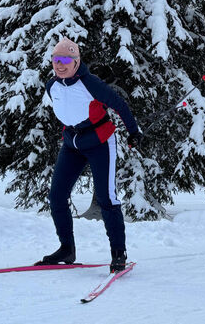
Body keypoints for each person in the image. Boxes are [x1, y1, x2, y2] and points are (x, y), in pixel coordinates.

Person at [40, 37, 142, 273]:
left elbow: (119, 104)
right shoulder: (51, 85)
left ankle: (119, 254)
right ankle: (67, 249)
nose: (60, 64)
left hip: (100, 142)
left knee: (107, 199)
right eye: (56, 59)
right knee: (56, 196)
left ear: (76, 62)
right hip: (72, 143)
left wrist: (133, 132)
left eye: (66, 59)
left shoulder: (90, 83)